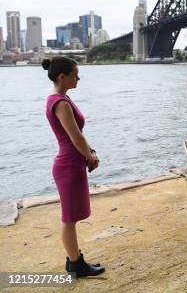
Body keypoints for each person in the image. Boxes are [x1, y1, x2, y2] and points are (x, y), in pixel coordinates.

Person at [42, 57, 105, 278]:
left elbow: (79, 136)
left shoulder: (62, 99)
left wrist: (91, 153)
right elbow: (75, 138)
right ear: (62, 77)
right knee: (69, 218)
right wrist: (89, 156)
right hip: (68, 163)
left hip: (73, 161)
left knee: (73, 216)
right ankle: (76, 264)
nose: (78, 78)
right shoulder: (60, 103)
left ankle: (74, 261)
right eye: (75, 74)